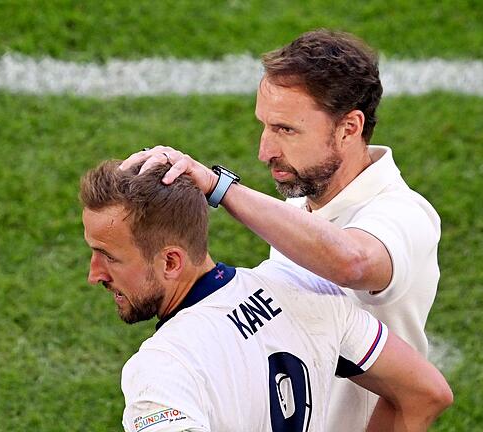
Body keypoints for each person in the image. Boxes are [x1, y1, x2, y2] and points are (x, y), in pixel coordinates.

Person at [121, 29, 443, 431]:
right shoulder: (298, 211)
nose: (264, 151)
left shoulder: (403, 214)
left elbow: (353, 261)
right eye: (266, 126)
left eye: (286, 130)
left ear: (349, 127)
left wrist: (219, 187)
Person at [80, 160, 452, 432]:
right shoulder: (305, 290)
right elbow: (425, 393)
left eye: (109, 257)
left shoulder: (162, 369)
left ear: (172, 262)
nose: (94, 274)